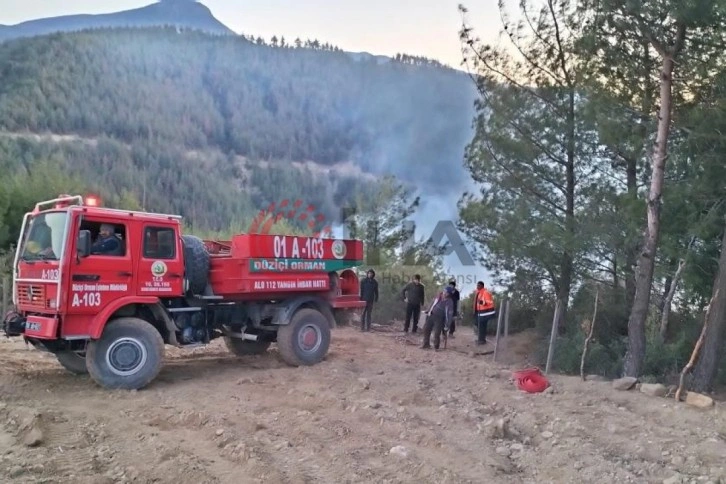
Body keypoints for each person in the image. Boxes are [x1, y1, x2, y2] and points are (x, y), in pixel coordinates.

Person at [421, 285, 454, 351]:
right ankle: (426, 344)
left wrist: (447, 325)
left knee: (437, 333)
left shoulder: (449, 302)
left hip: (440, 318)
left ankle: (436, 347)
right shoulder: (438, 296)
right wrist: (427, 310)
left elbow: (449, 314)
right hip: (431, 315)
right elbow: (432, 304)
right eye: (444, 291)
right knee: (426, 329)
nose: (444, 293)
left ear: (449, 294)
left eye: (446, 292)